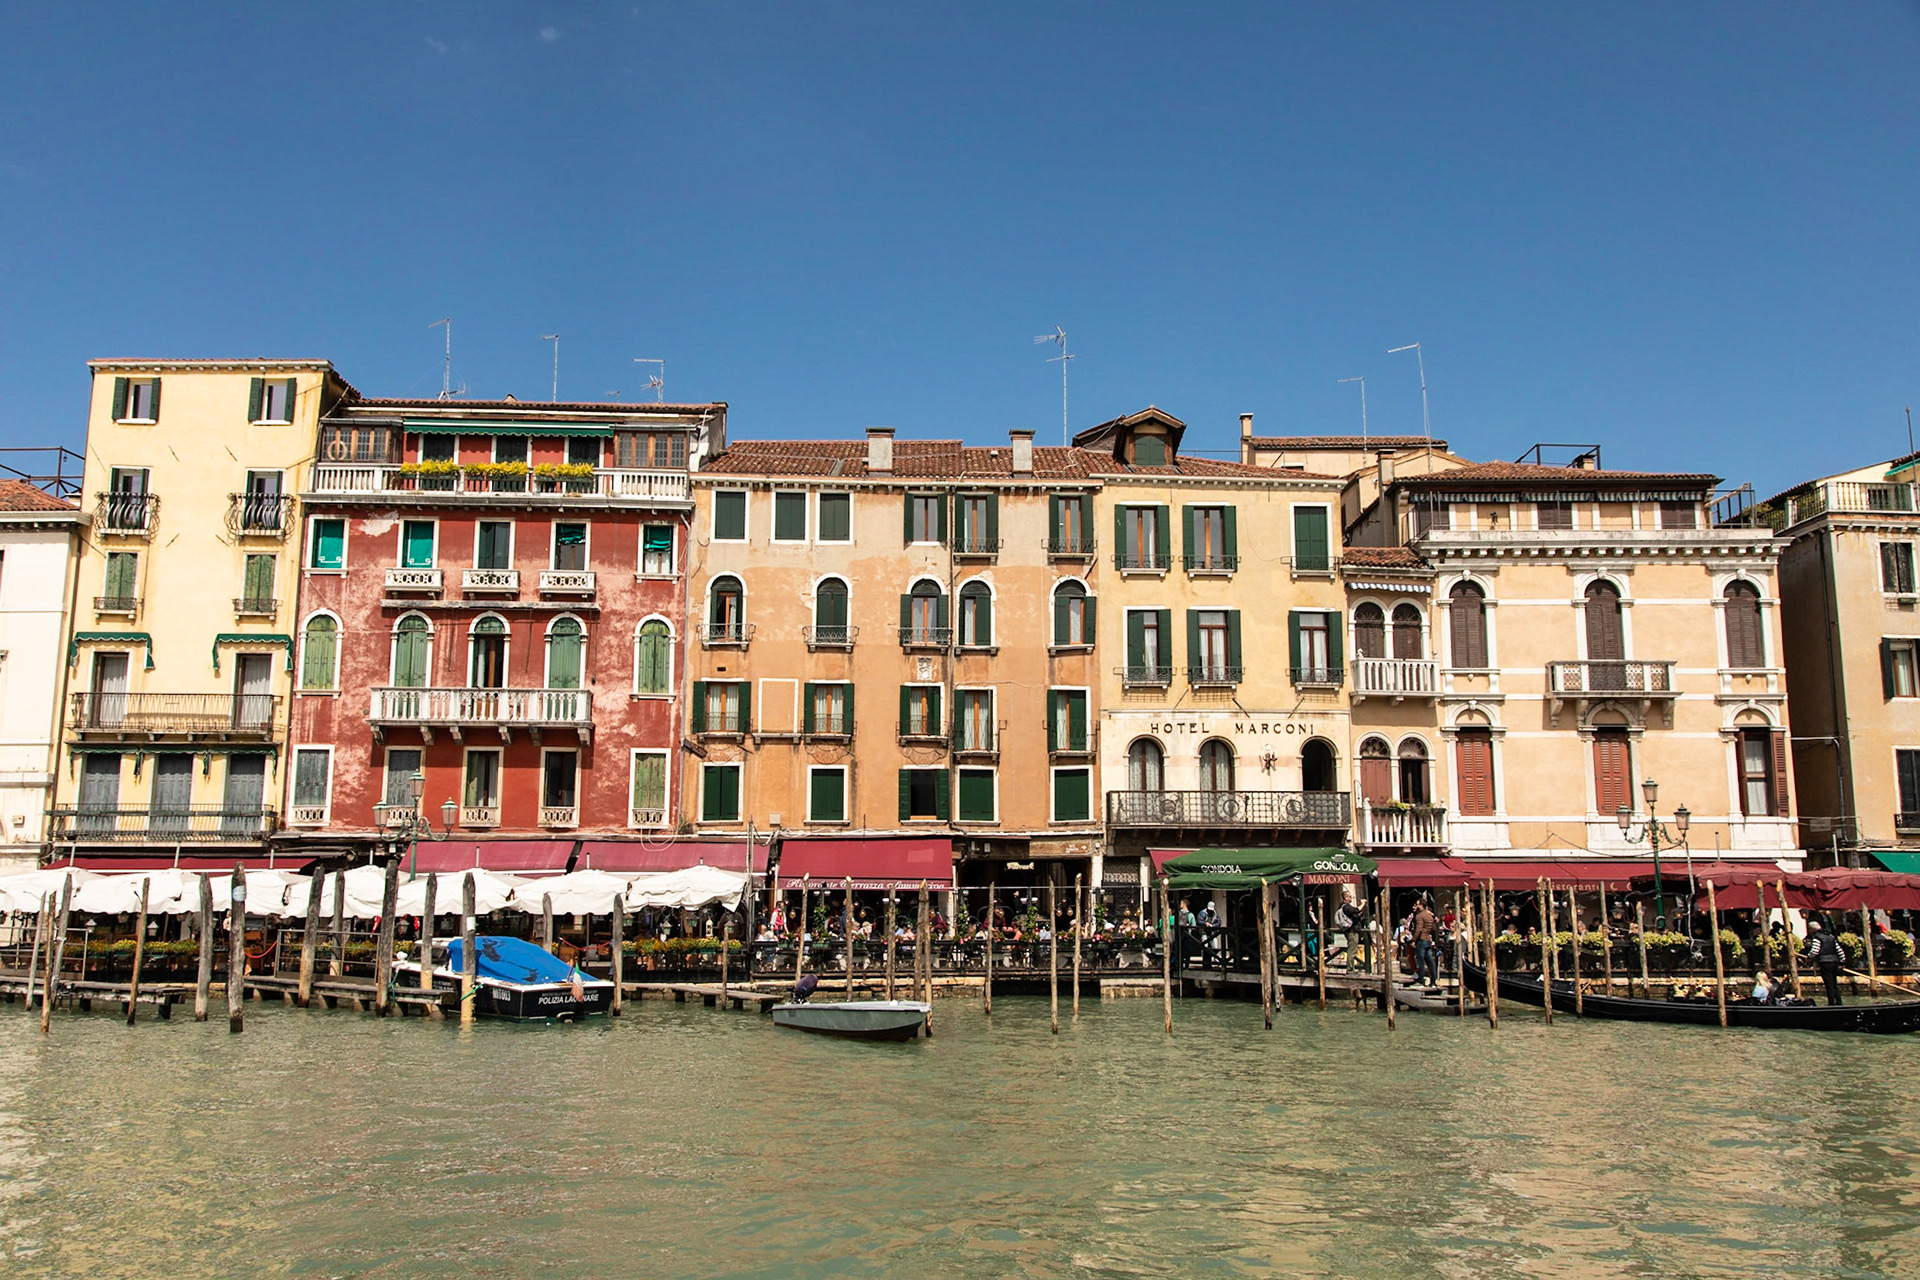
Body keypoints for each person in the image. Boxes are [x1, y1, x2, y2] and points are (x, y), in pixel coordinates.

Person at [1802, 917, 1847, 1006]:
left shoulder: (1817, 938)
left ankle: (1831, 1003)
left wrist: (1808, 957)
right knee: (1834, 984)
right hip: (1835, 962)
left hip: (1825, 962)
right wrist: (1842, 962)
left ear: (1812, 929)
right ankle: (1839, 1002)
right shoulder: (1830, 937)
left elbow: (1815, 951)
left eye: (1809, 928)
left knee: (1829, 984)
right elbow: (1839, 950)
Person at [1411, 899, 1440, 986]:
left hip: (1422, 939)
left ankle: (1420, 980)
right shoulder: (1429, 915)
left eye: (1417, 904)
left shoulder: (1419, 916)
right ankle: (1433, 981)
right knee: (1430, 961)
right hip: (1428, 939)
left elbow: (1419, 929)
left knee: (1420, 960)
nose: (1416, 906)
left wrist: (1414, 940)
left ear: (1421, 905)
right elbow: (1433, 928)